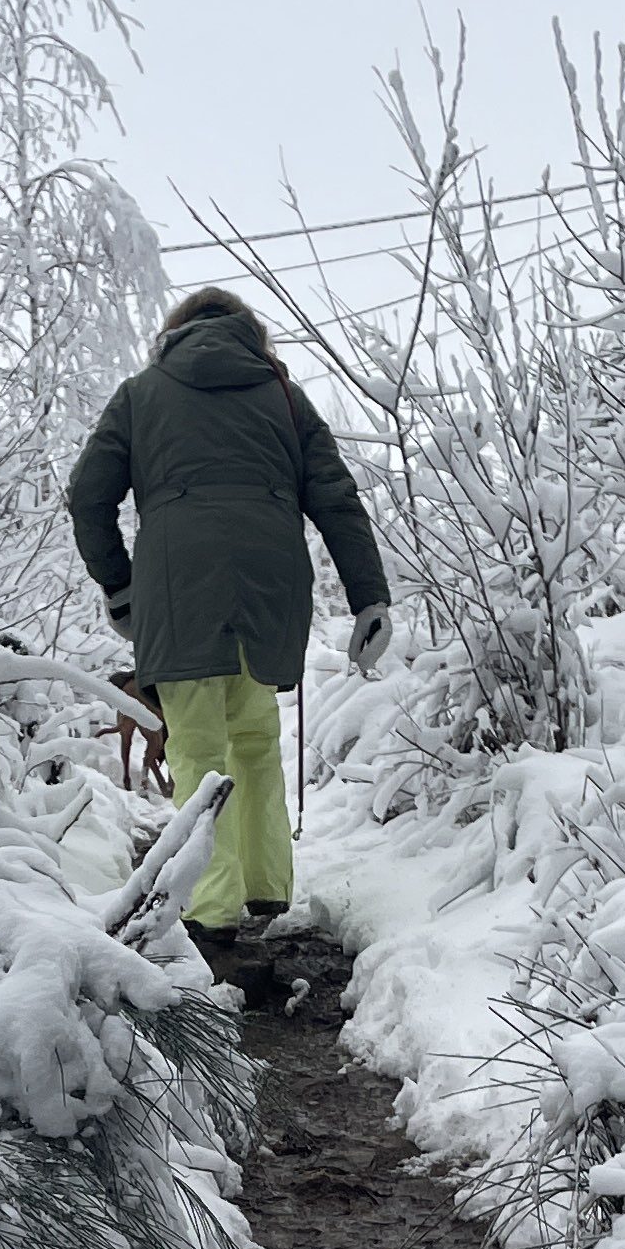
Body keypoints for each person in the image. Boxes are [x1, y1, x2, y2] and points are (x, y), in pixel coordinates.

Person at [64, 287, 392, 941]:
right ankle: (267, 888)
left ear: (175, 333)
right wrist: (369, 597)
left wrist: (120, 587)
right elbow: (338, 501)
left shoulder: (141, 394)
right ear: (250, 334)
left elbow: (86, 497)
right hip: (269, 582)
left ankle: (209, 909)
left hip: (179, 583)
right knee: (254, 737)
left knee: (195, 746)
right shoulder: (284, 397)